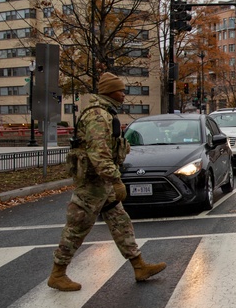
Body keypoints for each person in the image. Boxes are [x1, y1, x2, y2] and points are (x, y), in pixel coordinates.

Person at [47, 72, 166, 291]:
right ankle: (57, 273)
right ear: (110, 91)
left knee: (120, 222)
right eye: (121, 90)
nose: (123, 94)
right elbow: (99, 154)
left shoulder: (106, 113)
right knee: (77, 228)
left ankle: (139, 266)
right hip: (92, 184)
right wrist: (116, 180)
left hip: (102, 184)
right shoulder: (98, 116)